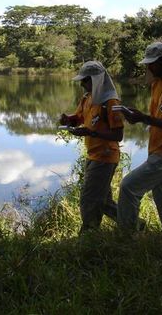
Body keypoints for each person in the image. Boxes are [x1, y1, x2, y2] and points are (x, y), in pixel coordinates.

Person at [117, 42, 162, 232]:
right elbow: (157, 118)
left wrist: (143, 118)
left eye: (153, 63)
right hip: (156, 148)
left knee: (129, 187)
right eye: (148, 63)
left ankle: (127, 236)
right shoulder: (157, 84)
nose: (149, 67)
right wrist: (138, 118)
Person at [59, 61, 124, 234]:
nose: (81, 84)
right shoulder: (88, 98)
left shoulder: (110, 102)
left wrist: (92, 133)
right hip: (93, 155)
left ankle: (88, 236)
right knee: (103, 201)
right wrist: (68, 120)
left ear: (97, 80)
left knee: (89, 199)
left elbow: (118, 135)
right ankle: (133, 224)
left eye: (85, 80)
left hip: (105, 158)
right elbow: (79, 117)